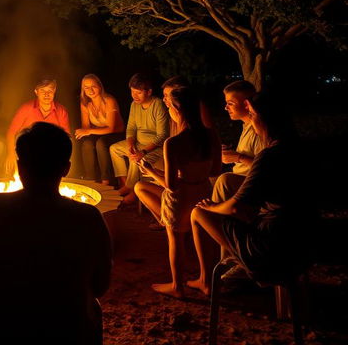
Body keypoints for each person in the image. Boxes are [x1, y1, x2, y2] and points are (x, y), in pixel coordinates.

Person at [0, 122, 112, 345]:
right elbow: (100, 287)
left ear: (20, 167)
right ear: (66, 168)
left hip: (0, 334)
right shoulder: (89, 217)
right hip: (69, 335)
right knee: (93, 305)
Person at [189, 92, 315, 295]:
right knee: (229, 194)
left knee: (198, 213)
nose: (252, 120)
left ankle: (232, 269)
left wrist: (212, 207)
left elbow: (236, 206)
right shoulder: (299, 149)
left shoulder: (270, 155)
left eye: (253, 115)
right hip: (303, 240)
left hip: (271, 245)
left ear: (264, 119)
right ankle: (240, 265)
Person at [135, 86, 221, 297]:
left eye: (169, 107)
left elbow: (171, 185)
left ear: (176, 109)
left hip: (180, 197)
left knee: (175, 238)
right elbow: (216, 170)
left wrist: (150, 171)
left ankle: (177, 286)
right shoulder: (210, 136)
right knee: (202, 236)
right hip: (202, 192)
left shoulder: (173, 143)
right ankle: (206, 281)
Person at [109, 73, 169, 204]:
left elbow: (162, 135)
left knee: (136, 158)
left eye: (138, 92)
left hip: (155, 148)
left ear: (148, 92)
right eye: (132, 92)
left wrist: (143, 152)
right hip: (138, 142)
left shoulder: (158, 105)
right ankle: (127, 186)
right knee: (114, 149)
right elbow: (131, 128)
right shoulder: (134, 105)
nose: (134, 96)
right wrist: (130, 144)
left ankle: (130, 191)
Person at [212, 80, 265, 203]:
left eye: (230, 103)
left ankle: (214, 218)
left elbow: (264, 169)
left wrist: (238, 158)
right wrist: (231, 154)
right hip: (241, 181)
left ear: (247, 104)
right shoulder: (246, 126)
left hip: (251, 186)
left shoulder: (258, 131)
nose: (226, 108)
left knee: (224, 180)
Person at [4, 78, 71, 175]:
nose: (46, 94)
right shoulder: (26, 108)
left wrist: (63, 160)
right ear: (36, 92)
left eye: (50, 91)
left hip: (50, 154)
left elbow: (66, 138)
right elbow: (11, 132)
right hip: (27, 153)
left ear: (54, 91)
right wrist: (10, 154)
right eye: (42, 91)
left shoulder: (61, 111)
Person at [74, 74, 125, 184]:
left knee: (101, 144)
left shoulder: (109, 101)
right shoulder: (85, 103)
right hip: (99, 132)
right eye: (86, 87)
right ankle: (90, 179)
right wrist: (84, 132)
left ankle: (106, 180)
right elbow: (86, 128)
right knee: (87, 143)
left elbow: (111, 128)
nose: (90, 90)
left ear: (100, 86)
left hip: (116, 132)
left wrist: (89, 131)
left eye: (93, 86)